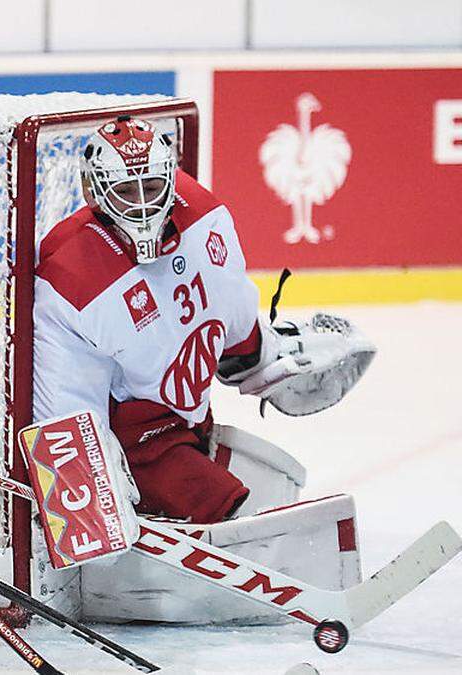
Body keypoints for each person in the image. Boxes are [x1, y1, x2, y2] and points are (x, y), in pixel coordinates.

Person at [33, 116, 374, 525]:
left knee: (277, 491)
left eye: (153, 186)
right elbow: (67, 407)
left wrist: (265, 359)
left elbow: (227, 303)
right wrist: (89, 501)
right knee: (247, 526)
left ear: (171, 179)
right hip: (140, 450)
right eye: (125, 190)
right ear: (94, 191)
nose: (142, 202)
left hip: (192, 424)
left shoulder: (201, 214)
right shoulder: (72, 275)